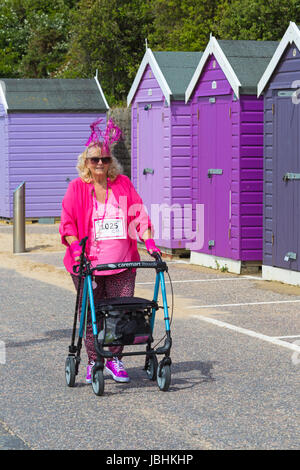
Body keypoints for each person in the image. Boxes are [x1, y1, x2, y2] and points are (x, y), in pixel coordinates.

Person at [59, 118, 160, 384]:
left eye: (104, 158)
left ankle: (115, 358)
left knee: (120, 312)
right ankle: (94, 361)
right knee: (91, 314)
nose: (100, 163)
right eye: (94, 160)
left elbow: (139, 215)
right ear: (86, 163)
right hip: (88, 264)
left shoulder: (123, 184)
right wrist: (76, 249)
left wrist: (148, 241)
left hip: (122, 263)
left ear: (110, 161)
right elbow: (67, 223)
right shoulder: (77, 188)